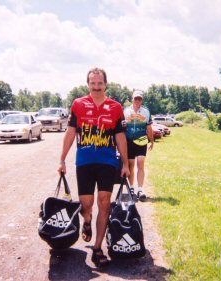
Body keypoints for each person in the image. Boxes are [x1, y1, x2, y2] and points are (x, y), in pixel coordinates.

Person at [58, 67, 130, 267]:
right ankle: (87, 220)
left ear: (106, 84)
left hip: (108, 162)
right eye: (93, 83)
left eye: (100, 83)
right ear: (88, 84)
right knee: (86, 204)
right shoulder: (78, 105)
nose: (97, 87)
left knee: (104, 202)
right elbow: (71, 132)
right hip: (85, 162)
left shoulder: (115, 107)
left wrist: (125, 163)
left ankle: (98, 248)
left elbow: (120, 136)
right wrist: (62, 159)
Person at [124, 90, 154, 202]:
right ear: (132, 99)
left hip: (141, 140)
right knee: (131, 165)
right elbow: (122, 127)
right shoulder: (126, 111)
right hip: (129, 141)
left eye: (139, 99)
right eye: (136, 98)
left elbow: (149, 128)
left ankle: (140, 189)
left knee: (141, 163)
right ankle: (131, 188)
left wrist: (152, 141)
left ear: (142, 100)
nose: (137, 100)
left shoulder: (146, 112)